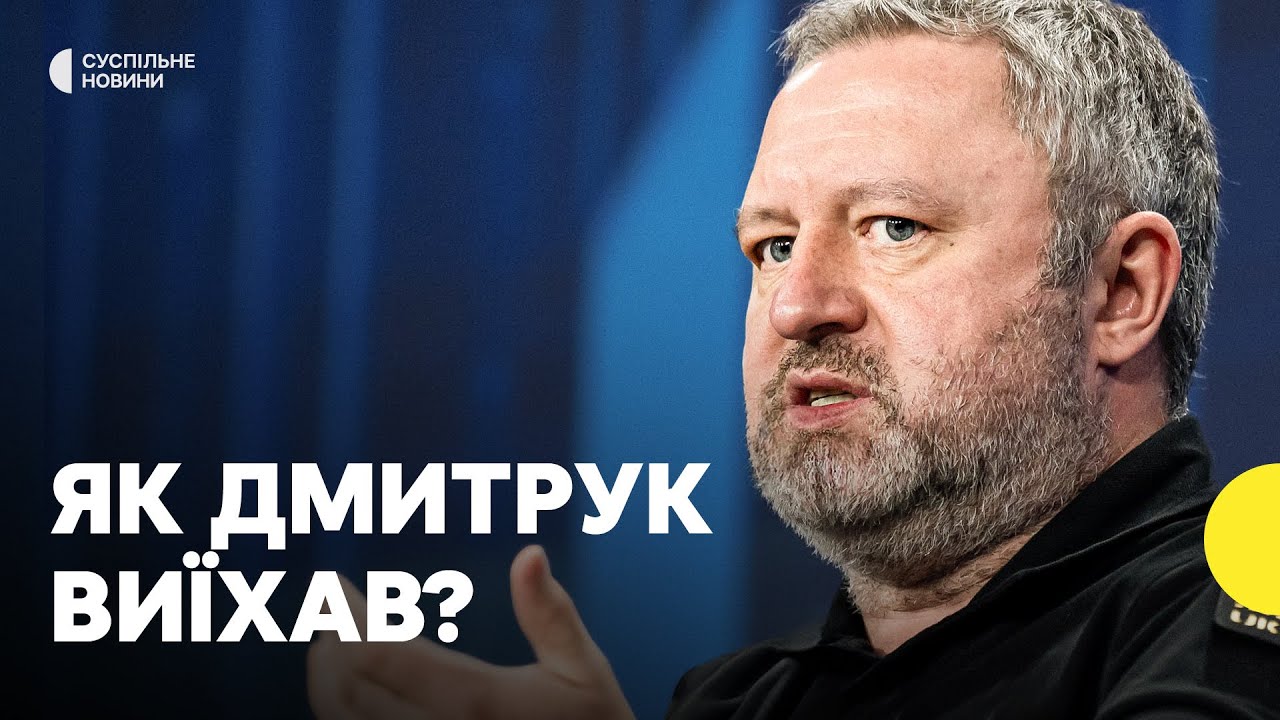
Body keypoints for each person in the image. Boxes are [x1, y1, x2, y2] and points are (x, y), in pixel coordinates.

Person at [307, 1, 1280, 717]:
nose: (797, 304)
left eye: (893, 227)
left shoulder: (1238, 618)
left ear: (1119, 292)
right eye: (771, 245)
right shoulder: (733, 702)